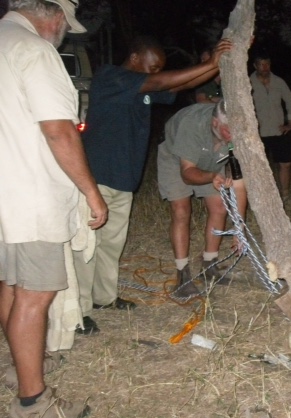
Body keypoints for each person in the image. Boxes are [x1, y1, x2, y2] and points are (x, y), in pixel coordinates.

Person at [74, 36, 232, 334]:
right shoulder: (111, 77)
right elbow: (161, 82)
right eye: (153, 65)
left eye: (159, 67)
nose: (156, 71)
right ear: (135, 57)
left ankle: (103, 298)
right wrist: (209, 63)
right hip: (97, 178)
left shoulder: (139, 89)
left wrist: (215, 66)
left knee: (111, 245)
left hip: (124, 180)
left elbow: (177, 86)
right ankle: (78, 313)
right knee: (87, 247)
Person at [0, 0, 108, 418]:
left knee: (9, 283)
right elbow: (58, 129)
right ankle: (33, 402)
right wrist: (90, 192)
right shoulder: (34, 48)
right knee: (35, 293)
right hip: (28, 194)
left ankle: (18, 365)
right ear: (56, 17)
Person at [157, 101, 247, 296]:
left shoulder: (234, 133)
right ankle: (183, 274)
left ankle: (210, 265)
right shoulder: (193, 125)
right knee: (181, 210)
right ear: (215, 123)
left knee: (220, 207)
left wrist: (239, 227)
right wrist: (210, 176)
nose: (234, 137)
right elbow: (187, 173)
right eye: (228, 131)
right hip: (176, 159)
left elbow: (239, 185)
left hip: (212, 156)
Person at [250, 50, 291, 200]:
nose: (265, 67)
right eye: (261, 64)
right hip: (258, 131)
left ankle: (284, 194)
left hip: (278, 130)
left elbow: (290, 101)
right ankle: (262, 196)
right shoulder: (247, 82)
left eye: (267, 64)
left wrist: (290, 121)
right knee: (259, 166)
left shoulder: (279, 81)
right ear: (255, 66)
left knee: (285, 164)